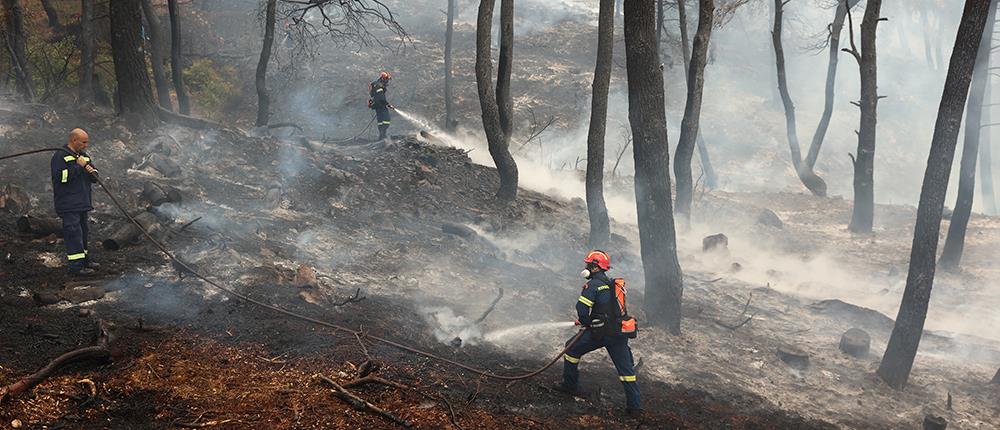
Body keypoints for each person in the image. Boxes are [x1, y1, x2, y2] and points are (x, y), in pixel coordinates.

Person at [559, 250, 641, 415]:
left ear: (594, 267)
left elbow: (581, 308)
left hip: (600, 333)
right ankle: (635, 408)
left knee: (570, 349)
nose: (585, 267)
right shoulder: (611, 284)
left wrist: (585, 321)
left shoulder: (593, 285)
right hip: (618, 333)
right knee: (627, 372)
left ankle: (570, 386)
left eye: (588, 264)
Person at [50, 128, 100, 276]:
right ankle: (76, 267)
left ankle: (85, 260)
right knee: (73, 234)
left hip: (83, 202)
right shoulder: (60, 156)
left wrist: (89, 169)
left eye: (87, 142)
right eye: (83, 142)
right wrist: (79, 166)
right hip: (68, 204)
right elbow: (61, 177)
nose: (86, 145)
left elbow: (94, 175)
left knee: (83, 232)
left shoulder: (83, 156)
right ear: (74, 140)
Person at [369, 71, 394, 140]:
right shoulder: (379, 86)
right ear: (383, 79)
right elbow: (381, 97)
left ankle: (381, 135)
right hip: (381, 104)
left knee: (380, 121)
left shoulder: (376, 84)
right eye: (387, 79)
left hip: (377, 105)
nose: (387, 82)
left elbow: (374, 96)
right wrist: (388, 104)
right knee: (386, 119)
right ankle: (383, 135)